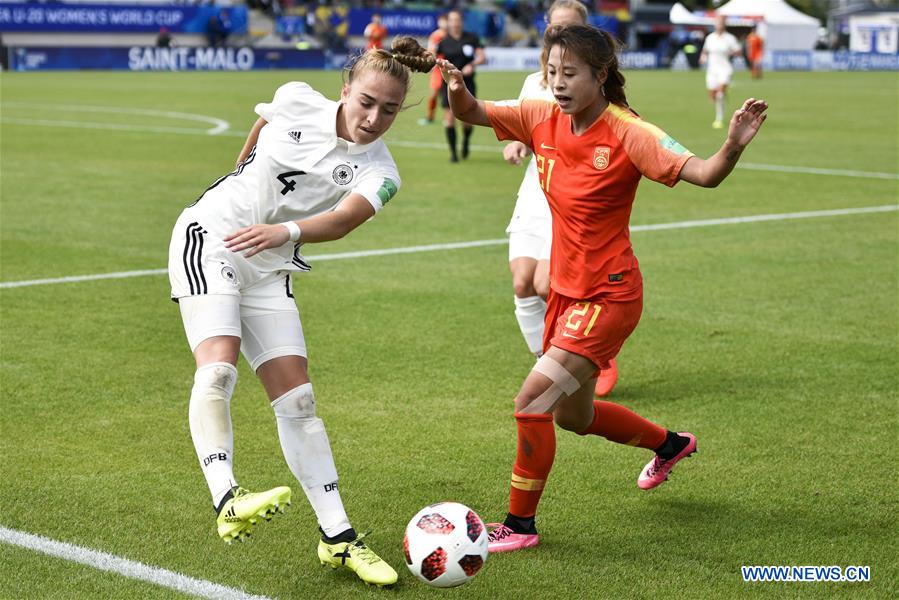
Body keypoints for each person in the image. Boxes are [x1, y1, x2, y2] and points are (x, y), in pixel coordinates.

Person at [438, 24, 767, 552]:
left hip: (609, 295)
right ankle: (672, 444)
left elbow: (704, 174)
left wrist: (732, 143)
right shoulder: (541, 114)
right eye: (551, 73)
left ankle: (519, 526)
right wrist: (455, 86)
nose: (558, 83)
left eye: (570, 74)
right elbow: (472, 112)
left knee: (532, 403)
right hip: (567, 292)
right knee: (575, 416)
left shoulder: (628, 131)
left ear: (601, 75)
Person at [168, 37, 435, 586]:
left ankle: (337, 538)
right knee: (219, 367)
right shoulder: (295, 98)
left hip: (270, 262)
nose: (374, 117)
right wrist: (240, 173)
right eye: (366, 101)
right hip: (210, 237)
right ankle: (227, 497)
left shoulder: (382, 172)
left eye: (388, 109)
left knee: (299, 399)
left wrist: (279, 231)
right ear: (345, 90)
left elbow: (340, 222)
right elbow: (264, 126)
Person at [501, 0, 618, 397]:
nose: (559, 34)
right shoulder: (535, 83)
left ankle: (594, 352)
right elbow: (523, 124)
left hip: (573, 200)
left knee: (544, 283)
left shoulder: (594, 84)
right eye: (554, 28)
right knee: (521, 282)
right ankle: (546, 364)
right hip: (536, 191)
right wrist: (517, 145)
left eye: (569, 28)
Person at [435, 9, 486, 162]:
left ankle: (465, 141)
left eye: (458, 20)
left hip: (467, 83)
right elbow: (435, 59)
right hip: (448, 83)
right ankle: (453, 154)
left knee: (467, 121)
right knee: (449, 118)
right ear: (448, 22)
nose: (455, 23)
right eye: (452, 20)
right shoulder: (443, 42)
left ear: (462, 22)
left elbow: (482, 57)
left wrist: (472, 64)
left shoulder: (472, 38)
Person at [700, 13, 742, 129]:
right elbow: (705, 50)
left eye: (721, 23)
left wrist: (731, 52)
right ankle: (722, 100)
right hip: (712, 70)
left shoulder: (730, 38)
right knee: (713, 95)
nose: (719, 25)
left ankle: (719, 118)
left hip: (725, 69)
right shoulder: (710, 38)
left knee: (720, 94)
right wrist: (703, 57)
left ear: (724, 25)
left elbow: (739, 52)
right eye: (717, 23)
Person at [419, 13, 448, 126]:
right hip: (438, 68)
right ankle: (430, 117)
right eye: (442, 21)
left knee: (448, 94)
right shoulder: (436, 35)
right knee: (434, 93)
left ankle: (448, 117)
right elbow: (431, 51)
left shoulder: (451, 35)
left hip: (448, 67)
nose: (444, 23)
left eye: (445, 21)